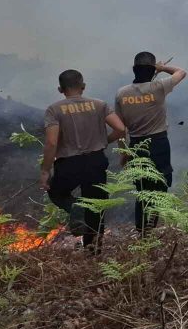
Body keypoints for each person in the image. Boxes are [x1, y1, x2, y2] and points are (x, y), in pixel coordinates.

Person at [40, 70, 127, 253]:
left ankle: (76, 208)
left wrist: (45, 170)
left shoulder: (54, 109)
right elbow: (120, 129)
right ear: (83, 86)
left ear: (60, 89)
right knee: (96, 205)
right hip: (96, 160)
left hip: (68, 163)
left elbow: (51, 143)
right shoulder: (99, 105)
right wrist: (104, 141)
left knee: (56, 192)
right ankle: (93, 250)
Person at [114, 52, 187, 234]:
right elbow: (181, 72)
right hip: (159, 144)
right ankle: (152, 225)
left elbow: (121, 129)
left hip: (136, 146)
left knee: (142, 189)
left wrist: (124, 153)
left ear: (134, 69)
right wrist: (162, 68)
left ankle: (141, 230)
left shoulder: (122, 94)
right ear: (153, 69)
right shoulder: (159, 86)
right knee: (161, 185)